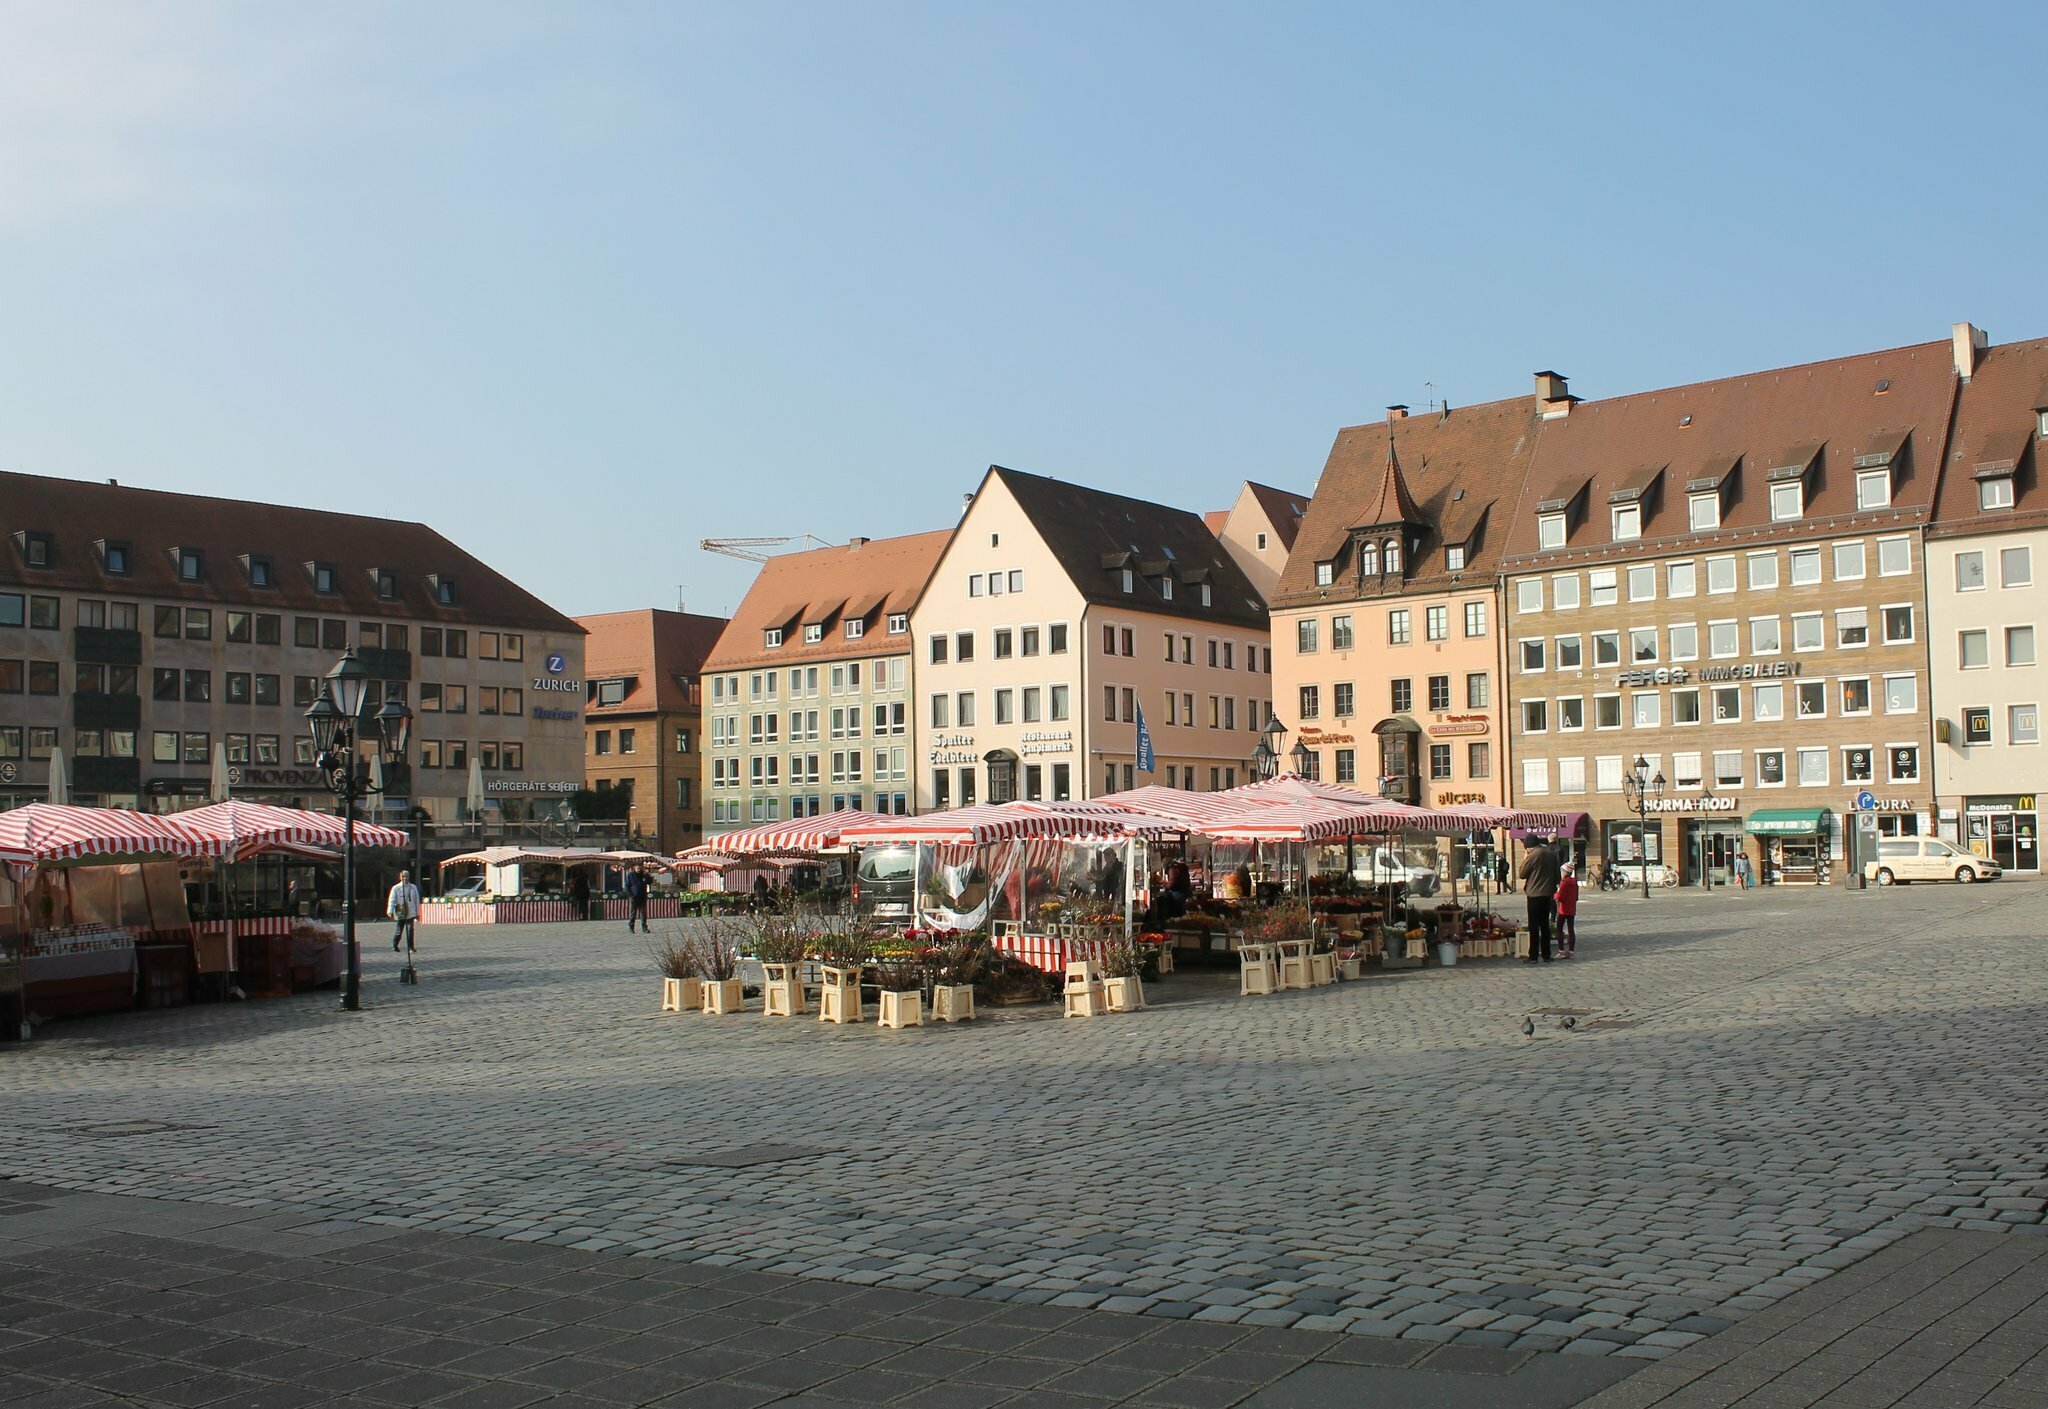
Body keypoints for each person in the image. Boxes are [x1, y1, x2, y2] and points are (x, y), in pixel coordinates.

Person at [1518, 839, 1560, 962]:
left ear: (1529, 847)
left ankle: (1534, 956)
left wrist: (1525, 858)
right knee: (1545, 925)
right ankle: (1546, 955)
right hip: (1547, 895)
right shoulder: (1551, 855)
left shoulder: (1532, 856)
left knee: (1534, 926)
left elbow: (1522, 874)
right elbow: (1557, 876)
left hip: (1534, 895)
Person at [387, 869, 421, 954]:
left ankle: (411, 947)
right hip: (400, 911)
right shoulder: (396, 888)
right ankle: (395, 944)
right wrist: (390, 910)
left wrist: (417, 913)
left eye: (406, 876)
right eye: (403, 876)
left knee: (410, 930)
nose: (405, 878)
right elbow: (392, 899)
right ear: (400, 877)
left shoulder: (413, 887)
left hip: (411, 911)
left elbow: (416, 900)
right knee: (399, 930)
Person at [1554, 865, 1579, 958]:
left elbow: (1560, 897)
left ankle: (1561, 951)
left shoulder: (1563, 883)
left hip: (1563, 909)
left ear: (1564, 872)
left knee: (1559, 928)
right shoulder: (1575, 883)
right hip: (1572, 908)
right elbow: (1576, 897)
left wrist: (1555, 894)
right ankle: (1571, 951)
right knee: (1571, 929)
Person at [624, 865, 651, 933]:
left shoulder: (643, 874)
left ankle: (644, 927)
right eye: (637, 868)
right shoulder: (630, 875)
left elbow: (649, 882)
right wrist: (630, 895)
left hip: (643, 895)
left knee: (643, 913)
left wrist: (647, 875)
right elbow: (627, 885)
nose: (639, 869)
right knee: (633, 912)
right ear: (634, 868)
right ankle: (631, 926)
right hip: (634, 896)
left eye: (640, 868)